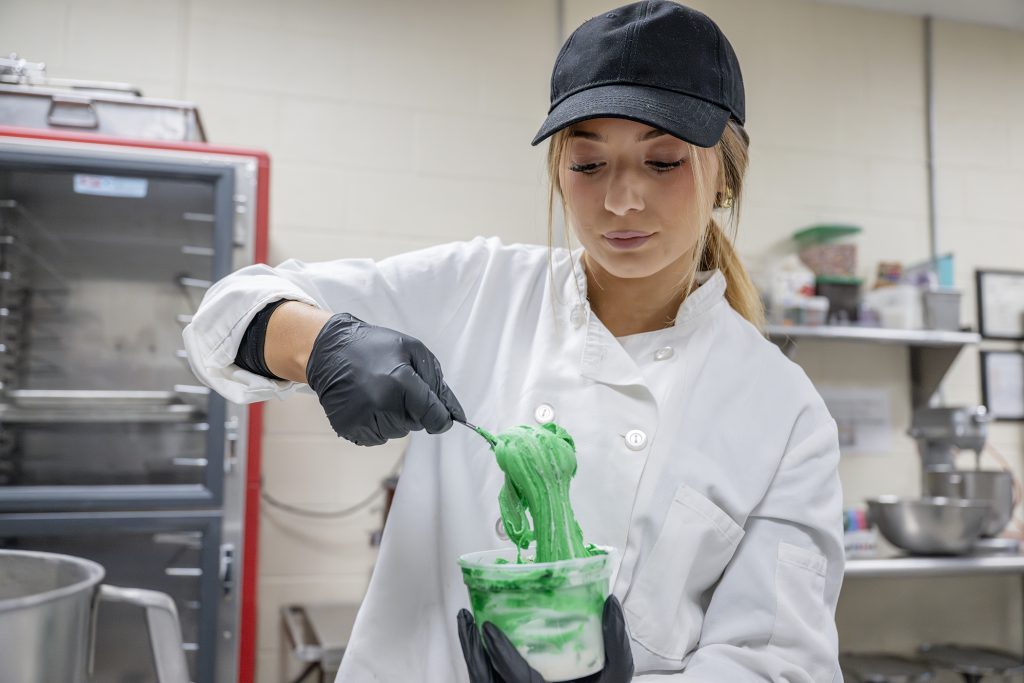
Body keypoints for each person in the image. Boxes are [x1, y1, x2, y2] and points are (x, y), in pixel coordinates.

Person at [183, 1, 845, 681]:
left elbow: (781, 664)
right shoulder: (476, 289)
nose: (621, 200)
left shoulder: (783, 411)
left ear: (725, 179)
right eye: (589, 164)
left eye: (663, 162)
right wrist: (320, 343)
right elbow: (225, 314)